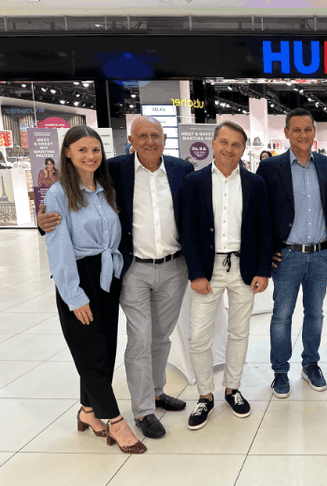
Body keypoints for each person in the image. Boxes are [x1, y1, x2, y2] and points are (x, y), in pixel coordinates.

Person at [38, 117, 195, 439]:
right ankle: (143, 411)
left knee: (160, 337)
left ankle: (153, 392)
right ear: (131, 141)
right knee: (138, 339)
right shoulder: (116, 170)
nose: (150, 141)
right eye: (142, 135)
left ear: (165, 139)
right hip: (131, 268)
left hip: (169, 267)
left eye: (156, 135)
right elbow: (61, 219)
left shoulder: (181, 170)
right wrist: (43, 221)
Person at [43, 126, 145, 454]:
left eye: (96, 149)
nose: (90, 156)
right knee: (90, 353)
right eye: (82, 150)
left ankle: (87, 412)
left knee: (105, 349)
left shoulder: (105, 188)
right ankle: (116, 421)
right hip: (79, 276)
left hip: (108, 275)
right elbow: (58, 248)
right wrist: (73, 296)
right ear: (68, 153)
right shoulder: (59, 194)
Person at [180, 121, 273, 430]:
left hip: (244, 268)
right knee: (199, 336)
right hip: (208, 270)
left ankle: (232, 389)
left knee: (239, 331)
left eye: (236, 144)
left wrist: (263, 270)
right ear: (213, 143)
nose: (229, 149)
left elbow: (264, 230)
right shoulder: (194, 182)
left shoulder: (255, 183)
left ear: (243, 149)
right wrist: (196, 273)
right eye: (224, 142)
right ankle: (205, 396)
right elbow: (187, 231)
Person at [256, 108, 327, 398]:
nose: (302, 135)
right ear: (286, 133)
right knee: (282, 316)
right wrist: (266, 251)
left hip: (320, 255)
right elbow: (260, 213)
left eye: (307, 129)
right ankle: (280, 372)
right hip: (287, 256)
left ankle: (311, 365)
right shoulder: (270, 168)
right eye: (296, 130)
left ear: (314, 132)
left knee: (315, 314)